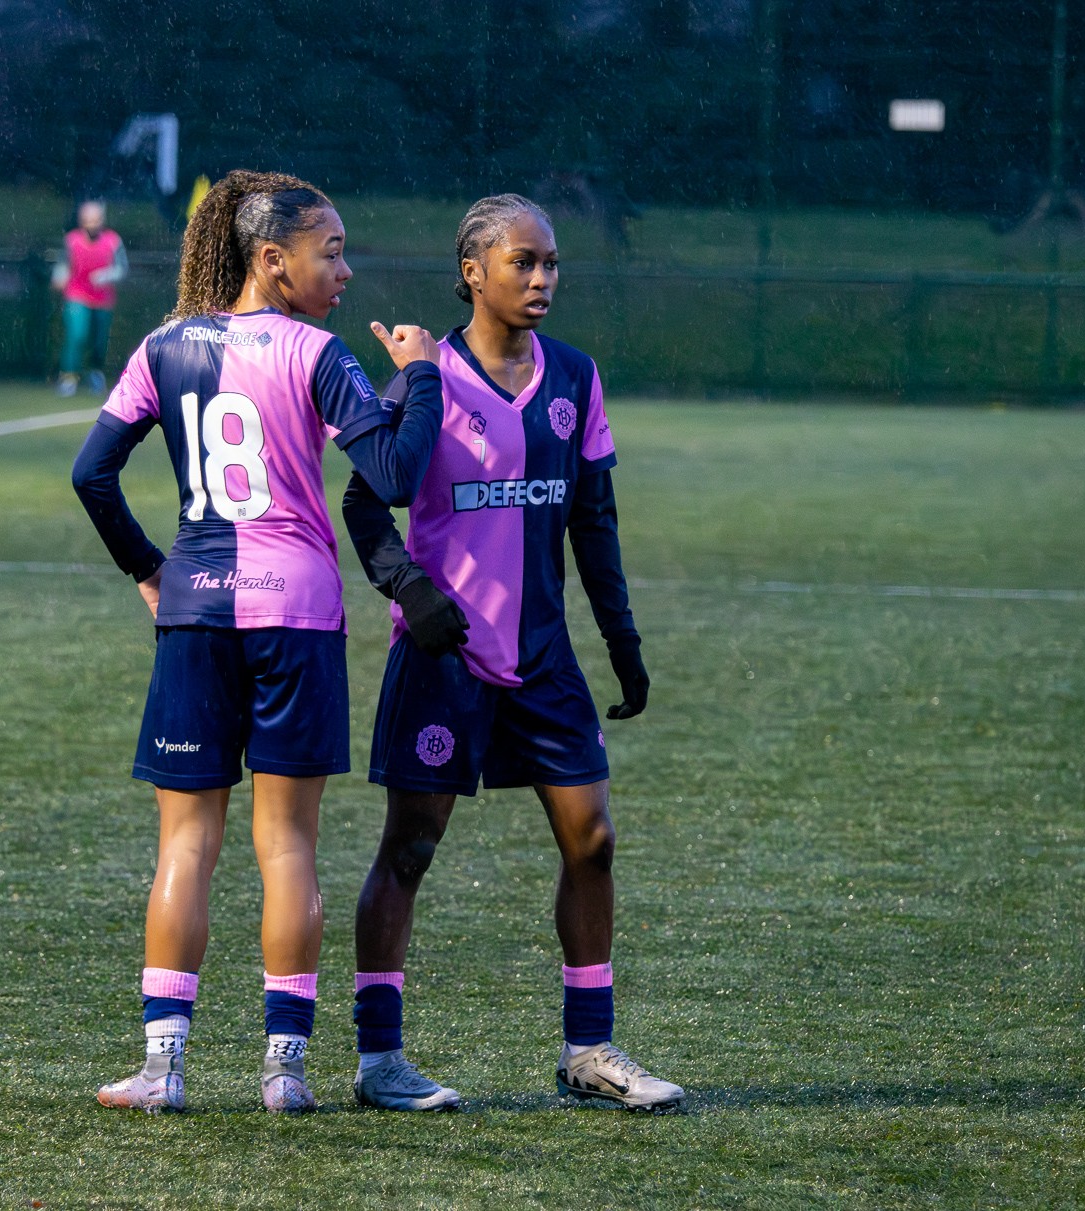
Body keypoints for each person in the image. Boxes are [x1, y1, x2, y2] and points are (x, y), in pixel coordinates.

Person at [71, 169, 446, 1115]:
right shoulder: (319, 354)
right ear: (273, 261)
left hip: (197, 608)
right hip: (297, 614)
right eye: (332, 252)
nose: (346, 271)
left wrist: (150, 572)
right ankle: (284, 1071)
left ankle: (162, 1069)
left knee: (186, 847)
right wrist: (425, 374)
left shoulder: (162, 348)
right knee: (288, 849)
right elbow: (395, 472)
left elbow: (92, 474)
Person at [339, 194, 685, 1113]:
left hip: (542, 656)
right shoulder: (428, 378)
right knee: (409, 849)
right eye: (522, 262)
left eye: (551, 264)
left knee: (595, 841)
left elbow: (593, 519)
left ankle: (589, 1050)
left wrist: (622, 638)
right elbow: (367, 501)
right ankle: (379, 1062)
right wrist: (410, 590)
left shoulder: (575, 377)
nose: (541, 280)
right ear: (472, 272)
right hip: (442, 654)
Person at [52, 199, 127, 397]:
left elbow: (122, 268)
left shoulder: (113, 240)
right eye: (88, 219)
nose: (92, 224)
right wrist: (59, 277)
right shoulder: (72, 240)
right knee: (77, 334)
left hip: (103, 298)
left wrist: (105, 275)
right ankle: (69, 376)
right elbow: (63, 264)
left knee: (100, 340)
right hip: (77, 295)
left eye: (96, 219)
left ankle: (95, 372)